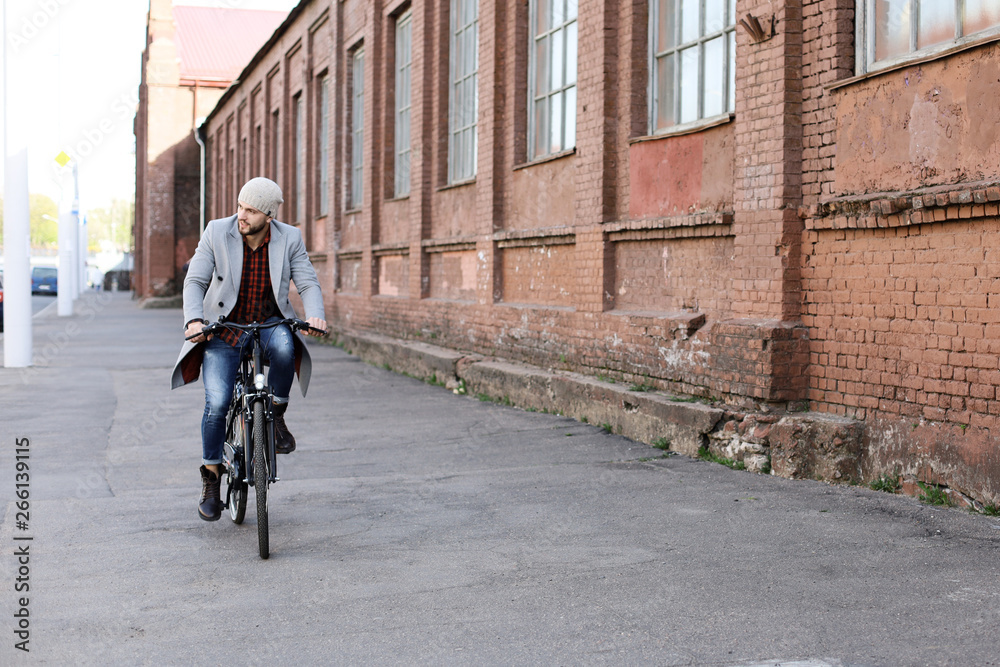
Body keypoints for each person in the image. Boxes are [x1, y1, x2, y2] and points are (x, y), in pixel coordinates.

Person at [170, 177, 327, 522]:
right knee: (217, 404)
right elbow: (195, 280)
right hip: (224, 330)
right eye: (240, 207)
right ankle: (211, 477)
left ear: (268, 216)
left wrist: (316, 315)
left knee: (287, 350)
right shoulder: (216, 231)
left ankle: (277, 415)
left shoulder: (290, 238)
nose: (241, 215)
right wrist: (194, 320)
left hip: (270, 324)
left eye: (251, 210)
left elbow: (307, 281)